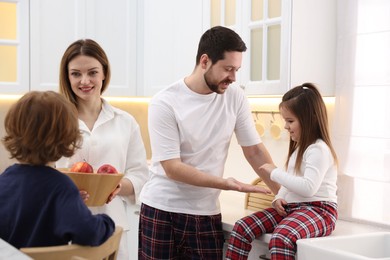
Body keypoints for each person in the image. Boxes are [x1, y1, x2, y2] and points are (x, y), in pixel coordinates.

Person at [138, 26, 278, 260]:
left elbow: (254, 150)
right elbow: (172, 168)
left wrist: (282, 193)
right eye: (228, 69)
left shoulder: (235, 98)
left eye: (237, 70)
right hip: (162, 211)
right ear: (205, 61)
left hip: (206, 213)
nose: (233, 78)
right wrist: (227, 184)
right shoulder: (165, 102)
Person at [56, 39, 149, 260]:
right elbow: (43, 172)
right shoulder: (56, 121)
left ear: (104, 73)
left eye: (92, 72)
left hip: (113, 227)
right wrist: (64, 190)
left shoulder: (125, 122)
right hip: (66, 226)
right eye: (76, 74)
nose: (84, 81)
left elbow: (140, 174)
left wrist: (117, 186)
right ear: (67, 77)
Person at [225, 83, 339, 260]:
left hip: (320, 212)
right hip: (295, 209)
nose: (285, 126)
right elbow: (291, 182)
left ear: (311, 119)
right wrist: (279, 197)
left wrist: (274, 172)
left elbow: (309, 188)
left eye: (290, 121)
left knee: (281, 238)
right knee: (242, 227)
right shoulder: (299, 149)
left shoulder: (319, 149)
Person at [0, 91, 115, 249]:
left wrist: (70, 205)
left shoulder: (4, 180)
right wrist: (107, 221)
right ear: (66, 138)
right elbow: (88, 233)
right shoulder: (61, 186)